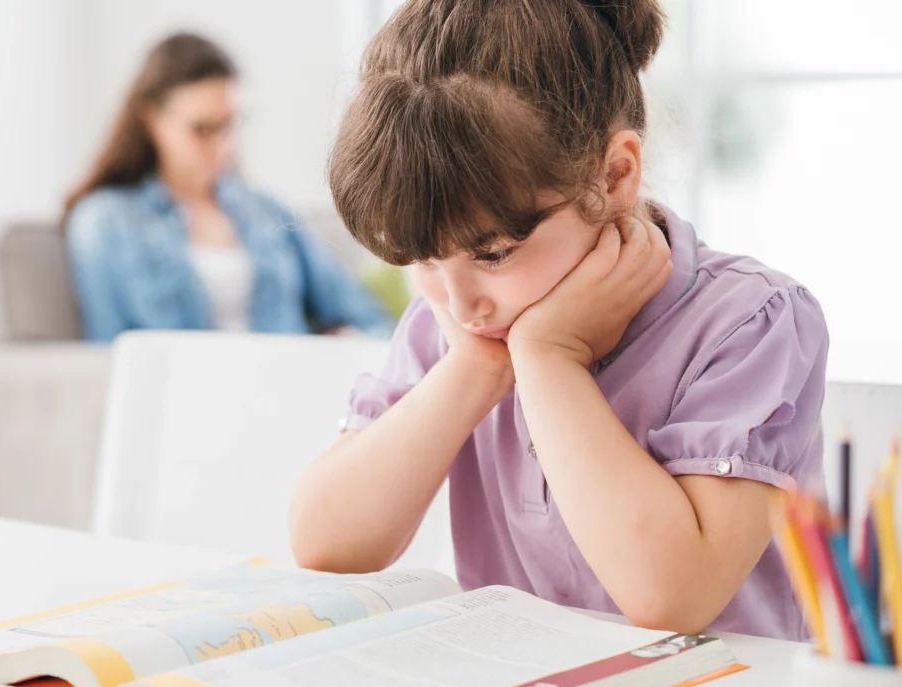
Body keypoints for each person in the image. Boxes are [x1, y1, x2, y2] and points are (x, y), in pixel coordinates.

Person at [290, 0, 827, 642]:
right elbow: (326, 543)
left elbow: (672, 596)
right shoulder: (456, 327)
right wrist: (472, 368)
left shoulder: (749, 322)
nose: (460, 304)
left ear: (615, 174)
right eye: (423, 260)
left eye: (493, 253)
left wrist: (549, 357)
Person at [64, 33, 391, 342]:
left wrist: (351, 344)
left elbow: (366, 317)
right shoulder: (104, 221)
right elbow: (107, 357)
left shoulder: (268, 212)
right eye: (203, 129)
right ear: (151, 120)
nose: (224, 148)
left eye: (230, 124)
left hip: (284, 385)